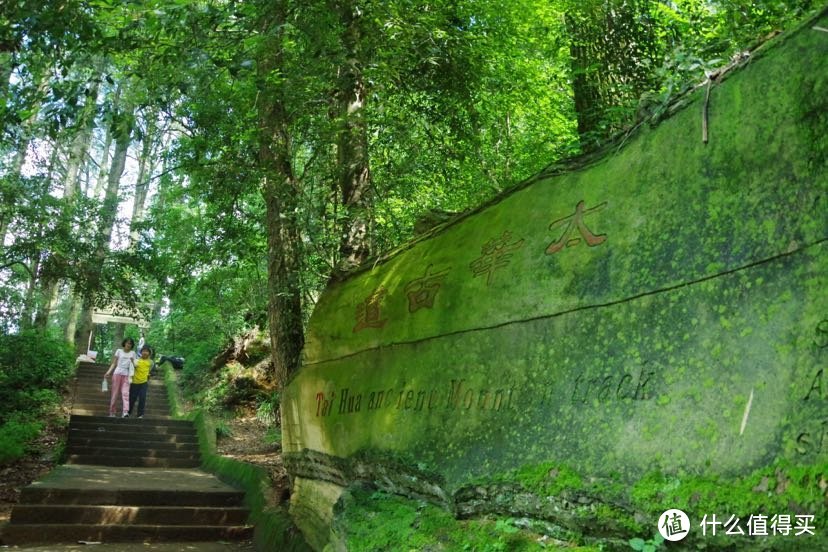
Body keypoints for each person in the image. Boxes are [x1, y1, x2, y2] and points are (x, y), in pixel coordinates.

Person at [104, 337, 136, 418]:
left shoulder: (133, 353)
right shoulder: (119, 351)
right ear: (124, 343)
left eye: (130, 343)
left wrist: (133, 361)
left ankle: (125, 412)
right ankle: (112, 412)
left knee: (125, 393)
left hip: (126, 374)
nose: (129, 345)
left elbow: (135, 365)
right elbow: (114, 363)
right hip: (117, 373)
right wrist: (108, 372)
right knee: (114, 393)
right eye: (128, 343)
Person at [129, 345, 152, 419]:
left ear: (149, 353)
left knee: (142, 398)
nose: (145, 352)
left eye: (147, 351)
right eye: (143, 351)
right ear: (141, 352)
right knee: (132, 398)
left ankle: (140, 414)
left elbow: (150, 371)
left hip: (144, 383)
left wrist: (148, 376)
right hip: (135, 382)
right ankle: (128, 412)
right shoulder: (137, 360)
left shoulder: (151, 362)